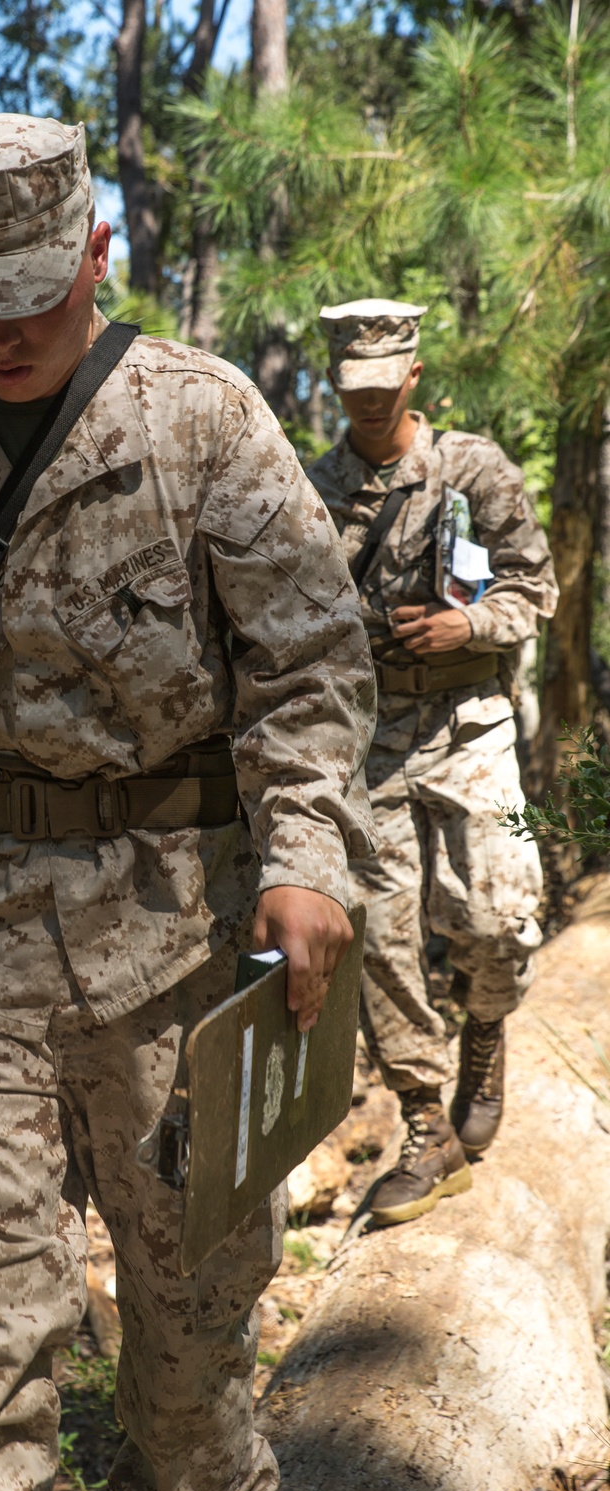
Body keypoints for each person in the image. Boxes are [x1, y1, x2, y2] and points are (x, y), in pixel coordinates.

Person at [0, 113, 376, 1491]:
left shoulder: (200, 418)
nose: (2, 331)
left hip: (180, 945)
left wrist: (305, 859)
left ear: (93, 252)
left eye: (33, 296)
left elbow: (306, 661)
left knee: (189, 1380)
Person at [306, 298, 559, 1229]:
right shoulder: (315, 487)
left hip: (471, 723)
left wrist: (467, 623)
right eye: (351, 390)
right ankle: (424, 1119)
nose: (368, 406)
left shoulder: (470, 469)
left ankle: (485, 1029)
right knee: (382, 936)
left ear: (414, 373)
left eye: (384, 387)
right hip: (367, 739)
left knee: (498, 917)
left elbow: (537, 588)